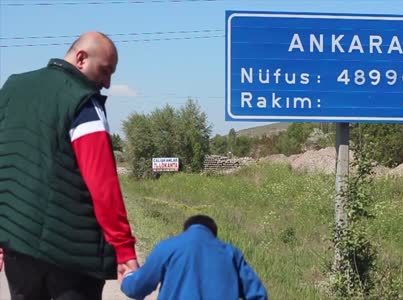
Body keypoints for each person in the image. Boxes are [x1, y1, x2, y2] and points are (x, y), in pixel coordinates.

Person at [0, 31, 139, 300]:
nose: (108, 83)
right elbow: (103, 184)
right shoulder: (83, 101)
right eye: (105, 71)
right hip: (75, 256)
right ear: (81, 58)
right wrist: (124, 249)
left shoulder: (11, 90)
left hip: (19, 248)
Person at [121, 215, 268, 300]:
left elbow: (137, 288)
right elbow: (258, 295)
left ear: (185, 230)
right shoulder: (231, 253)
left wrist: (128, 277)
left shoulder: (167, 247)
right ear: (213, 234)